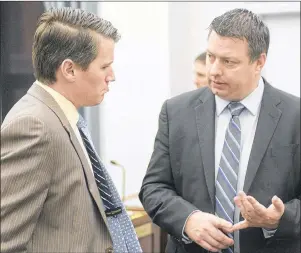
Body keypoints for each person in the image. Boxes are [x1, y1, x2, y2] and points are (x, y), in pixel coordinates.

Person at [139, 8, 300, 253]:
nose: (214, 70)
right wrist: (188, 219)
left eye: (228, 62)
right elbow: (153, 188)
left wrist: (278, 218)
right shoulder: (176, 112)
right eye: (211, 57)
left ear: (259, 62)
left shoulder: (295, 116)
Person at [1, 7, 142, 253]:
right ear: (69, 69)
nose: (112, 76)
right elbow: (7, 240)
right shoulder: (34, 126)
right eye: (104, 66)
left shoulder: (65, 116)